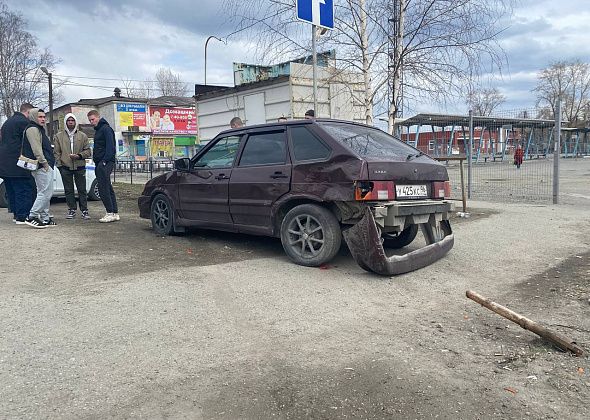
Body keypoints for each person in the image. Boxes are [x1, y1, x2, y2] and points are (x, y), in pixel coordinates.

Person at [0, 103, 35, 224]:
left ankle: (16, 214)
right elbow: (28, 142)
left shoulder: (7, 123)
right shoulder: (23, 122)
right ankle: (22, 216)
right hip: (17, 163)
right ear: (28, 112)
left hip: (4, 164)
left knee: (12, 190)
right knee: (24, 189)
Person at [54, 113, 92, 219]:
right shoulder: (58, 136)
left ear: (75, 122)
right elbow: (56, 152)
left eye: (72, 120)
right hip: (65, 167)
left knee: (82, 189)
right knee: (68, 189)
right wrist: (60, 165)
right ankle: (71, 210)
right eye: (68, 121)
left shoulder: (82, 136)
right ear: (65, 122)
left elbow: (88, 151)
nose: (71, 122)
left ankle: (84, 210)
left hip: (79, 166)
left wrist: (79, 156)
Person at [23, 108, 56, 228]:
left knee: (44, 192)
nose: (43, 119)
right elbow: (36, 149)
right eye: (40, 117)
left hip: (44, 165)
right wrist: (45, 163)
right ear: (33, 117)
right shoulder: (32, 129)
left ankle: (45, 218)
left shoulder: (39, 129)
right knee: (45, 193)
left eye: (43, 117)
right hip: (41, 166)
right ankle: (32, 216)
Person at [87, 110, 119, 223]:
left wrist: (104, 161)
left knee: (103, 188)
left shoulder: (105, 129)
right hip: (101, 162)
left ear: (98, 117)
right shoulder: (99, 130)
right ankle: (114, 212)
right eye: (90, 120)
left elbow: (111, 146)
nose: (91, 122)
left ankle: (110, 212)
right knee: (108, 187)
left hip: (105, 162)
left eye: (93, 119)